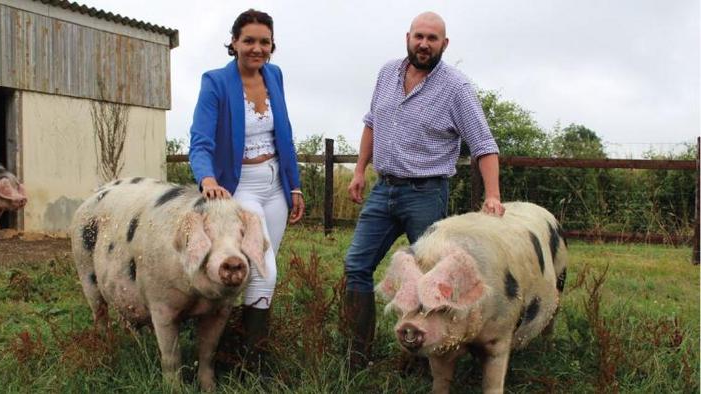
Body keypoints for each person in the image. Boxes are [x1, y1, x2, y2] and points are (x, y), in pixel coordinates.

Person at [343, 11, 505, 367]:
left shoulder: (456, 88)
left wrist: (492, 194)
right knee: (356, 264)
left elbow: (483, 144)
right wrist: (359, 170)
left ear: (444, 44)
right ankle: (356, 357)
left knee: (430, 278)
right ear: (407, 37)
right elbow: (372, 124)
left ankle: (428, 357)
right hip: (383, 190)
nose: (424, 44)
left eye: (433, 39)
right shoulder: (387, 73)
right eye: (419, 36)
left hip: (426, 194)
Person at [188, 9, 304, 362]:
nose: (257, 48)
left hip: (275, 186)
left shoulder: (275, 76)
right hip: (239, 188)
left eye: (264, 41)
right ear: (234, 42)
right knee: (263, 266)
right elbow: (200, 141)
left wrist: (294, 186)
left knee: (256, 270)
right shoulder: (216, 82)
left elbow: (284, 134)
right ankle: (255, 357)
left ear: (272, 46)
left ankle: (236, 344)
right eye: (249, 40)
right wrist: (207, 178)